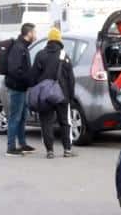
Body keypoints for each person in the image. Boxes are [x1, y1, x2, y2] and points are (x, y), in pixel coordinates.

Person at [32, 28, 76, 159]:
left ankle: (49, 150)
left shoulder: (40, 55)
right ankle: (67, 149)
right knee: (65, 122)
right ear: (59, 40)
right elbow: (71, 79)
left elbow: (34, 76)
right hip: (62, 94)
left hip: (45, 96)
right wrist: (70, 97)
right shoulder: (64, 55)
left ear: (49, 39)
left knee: (46, 122)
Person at [5, 23, 38, 156]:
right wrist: (27, 79)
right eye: (34, 32)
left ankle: (22, 144)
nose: (36, 34)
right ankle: (11, 148)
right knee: (15, 118)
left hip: (22, 87)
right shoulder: (18, 48)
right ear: (28, 33)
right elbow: (14, 70)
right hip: (17, 87)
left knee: (23, 117)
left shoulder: (23, 46)